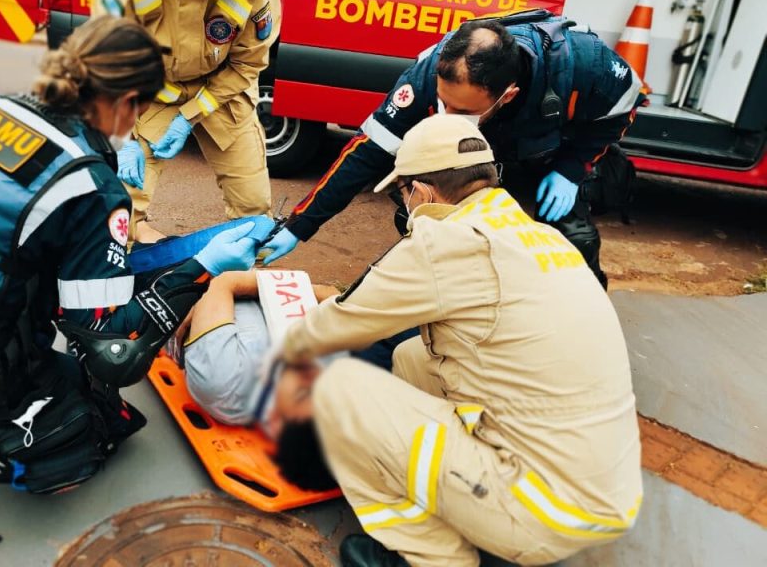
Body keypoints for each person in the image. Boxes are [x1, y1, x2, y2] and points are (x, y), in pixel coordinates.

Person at [0, 17, 261, 543]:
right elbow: (114, 348)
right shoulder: (90, 188)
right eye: (144, 107)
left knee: (83, 386)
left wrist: (99, 168)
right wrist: (204, 268)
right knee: (91, 435)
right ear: (127, 100)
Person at [269, 115, 643, 566]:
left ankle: (431, 556)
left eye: (402, 193)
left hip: (546, 510)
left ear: (422, 192)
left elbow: (325, 331)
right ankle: (466, 499)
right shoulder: (538, 235)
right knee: (412, 356)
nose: (404, 205)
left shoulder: (444, 242)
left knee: (337, 390)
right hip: (605, 491)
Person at [262, 9, 646, 288]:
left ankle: (578, 311)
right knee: (425, 212)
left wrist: (572, 169)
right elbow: (368, 151)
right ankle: (442, 297)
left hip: (548, 150)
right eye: (443, 103)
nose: (446, 113)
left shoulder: (583, 64)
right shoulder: (430, 74)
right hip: (473, 153)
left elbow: (623, 109)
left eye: (461, 109)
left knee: (574, 238)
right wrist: (300, 225)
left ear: (507, 95)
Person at [95, 0, 283, 242]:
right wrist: (122, 138)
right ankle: (124, 263)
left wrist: (188, 117)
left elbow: (247, 64)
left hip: (224, 89)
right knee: (120, 206)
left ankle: (244, 276)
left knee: (254, 209)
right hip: (155, 89)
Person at [170, 269, 339, 428]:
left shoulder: (224, 381)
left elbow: (225, 281)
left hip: (194, 286)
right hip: (220, 289)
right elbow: (330, 293)